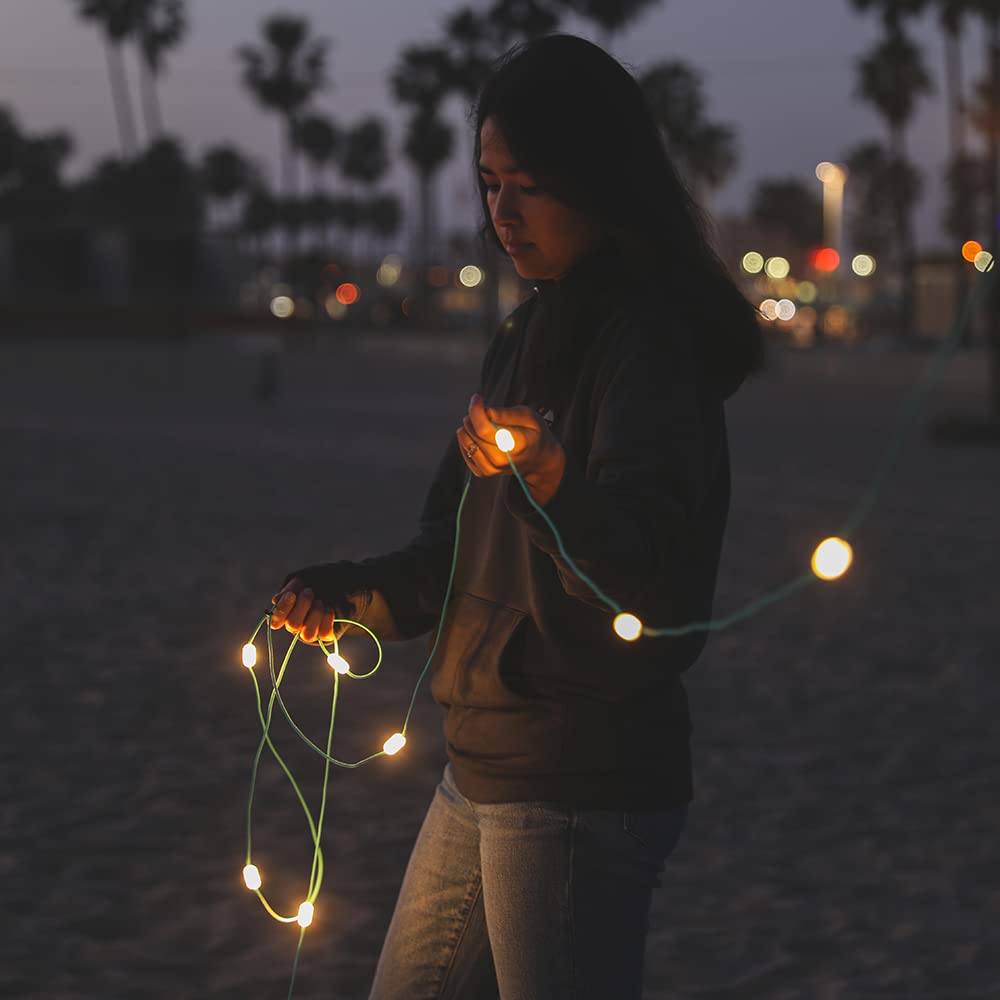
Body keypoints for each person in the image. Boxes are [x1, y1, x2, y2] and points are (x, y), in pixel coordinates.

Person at [268, 33, 764, 1000]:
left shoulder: (647, 349)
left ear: (601, 181)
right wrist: (346, 596)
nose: (502, 212)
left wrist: (550, 477)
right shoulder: (528, 332)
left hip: (578, 780)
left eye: (528, 183)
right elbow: (446, 555)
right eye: (490, 182)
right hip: (484, 768)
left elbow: (643, 582)